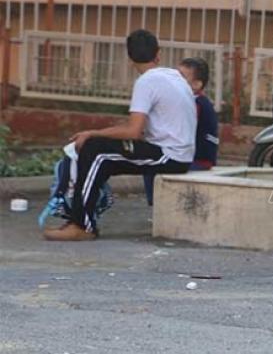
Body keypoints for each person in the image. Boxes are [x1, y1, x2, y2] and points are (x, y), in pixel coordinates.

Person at [43, 29, 197, 241]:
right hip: (176, 153)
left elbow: (133, 131)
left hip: (170, 155)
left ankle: (82, 225)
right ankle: (82, 214)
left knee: (94, 150)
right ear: (158, 53)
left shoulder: (147, 82)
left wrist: (91, 132)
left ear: (130, 58)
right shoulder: (173, 76)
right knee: (102, 156)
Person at [142, 57, 219, 206]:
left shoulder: (194, 103)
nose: (175, 80)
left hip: (198, 160)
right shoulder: (195, 100)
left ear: (197, 85)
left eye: (182, 77)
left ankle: (157, 205)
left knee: (150, 162)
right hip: (194, 157)